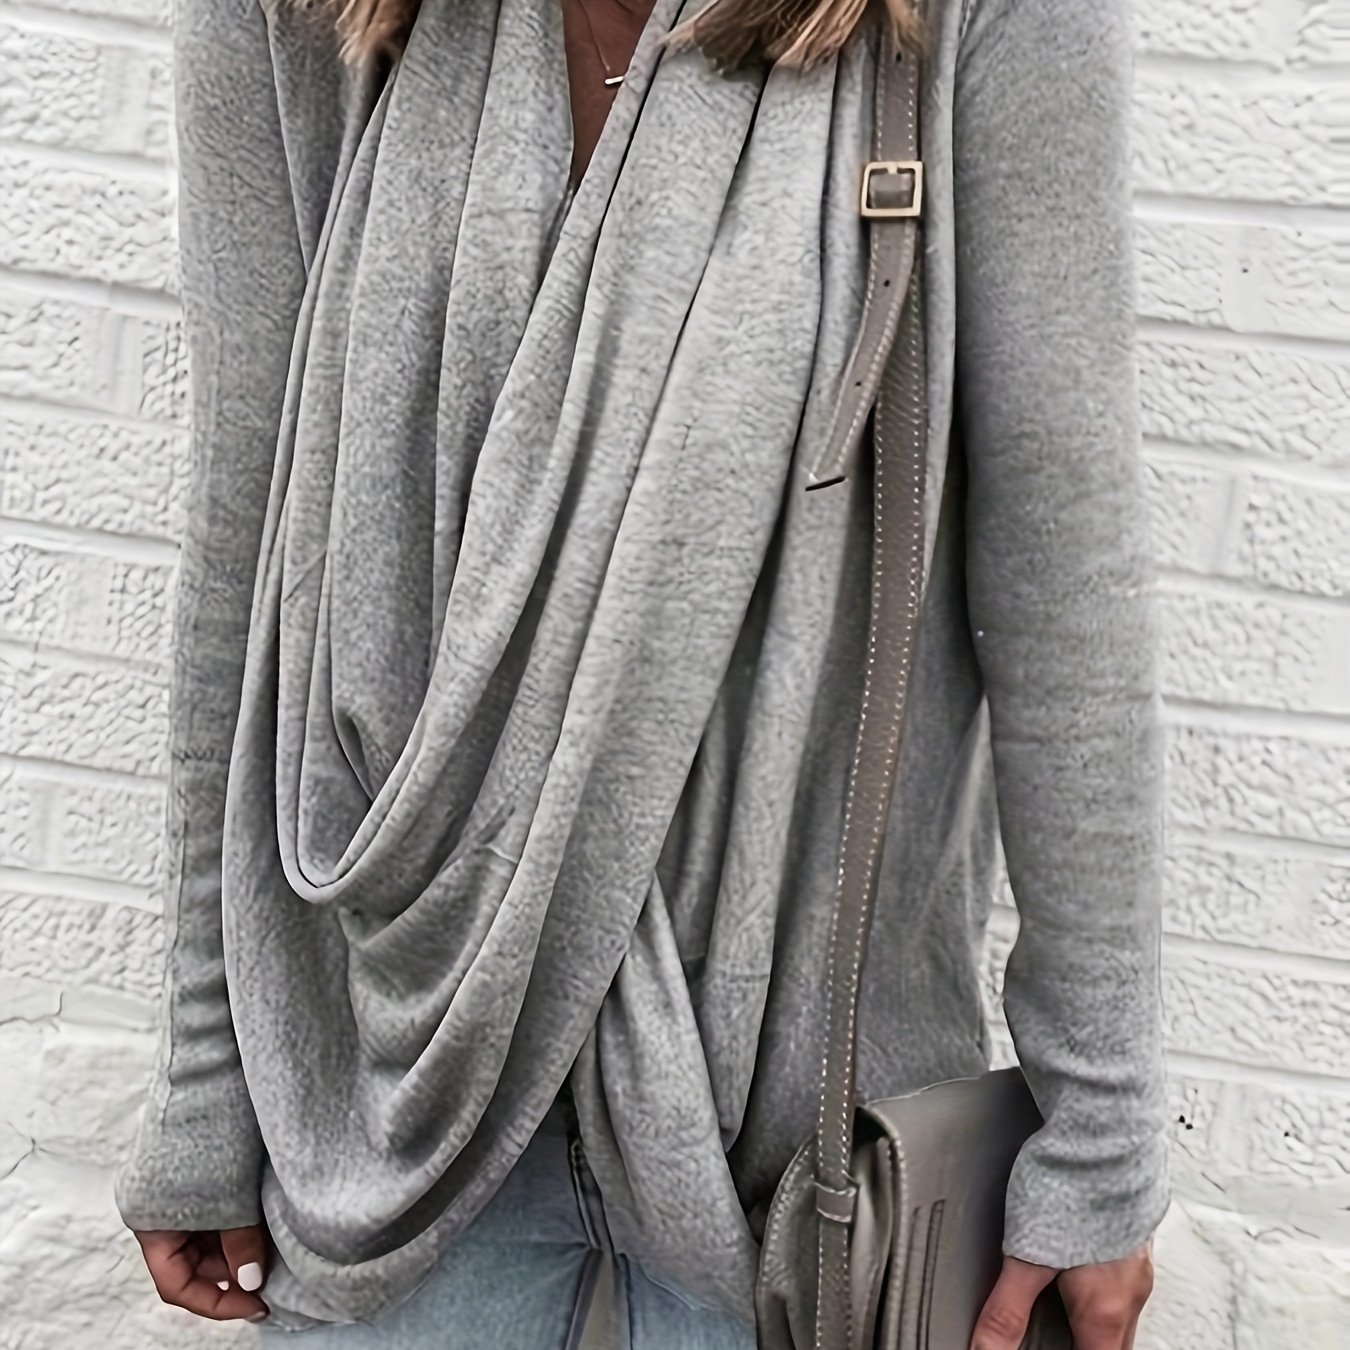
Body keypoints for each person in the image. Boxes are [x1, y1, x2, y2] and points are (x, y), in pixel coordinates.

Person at [114, 0, 1168, 1347]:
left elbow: (1062, 581)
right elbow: (250, 543)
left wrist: (1098, 1128)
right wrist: (211, 1072)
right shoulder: (308, 13)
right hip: (392, 1081)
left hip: (796, 1136)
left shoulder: (970, 20)